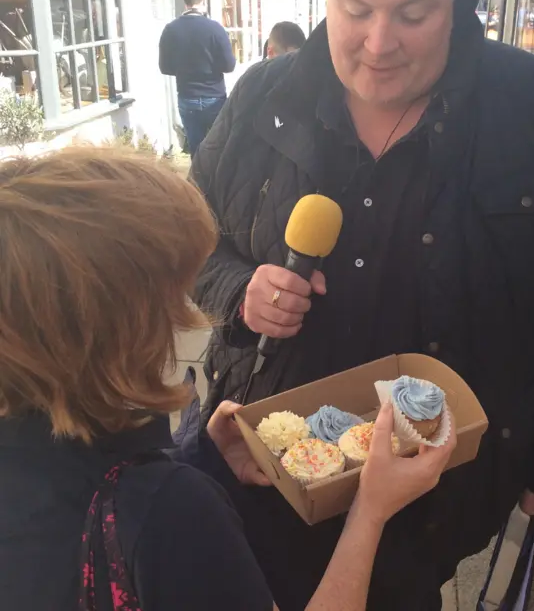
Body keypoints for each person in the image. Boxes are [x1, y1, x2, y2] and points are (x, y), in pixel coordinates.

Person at [190, 0, 534, 608]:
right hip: (262, 470)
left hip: (434, 499)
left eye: (413, 14)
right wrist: (238, 291)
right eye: (356, 9)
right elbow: (189, 238)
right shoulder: (261, 96)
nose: (378, 42)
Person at [0, 146, 456, 611]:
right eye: (171, 294)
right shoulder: (174, 512)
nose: (179, 315)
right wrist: (370, 510)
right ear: (122, 327)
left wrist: (196, 456)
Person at [159, 0, 236, 157]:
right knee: (219, 147)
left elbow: (165, 67)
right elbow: (229, 65)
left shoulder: (170, 30)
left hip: (188, 96)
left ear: (185, 0)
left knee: (196, 149)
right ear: (203, 0)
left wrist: (184, 69)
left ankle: (198, 182)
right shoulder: (215, 29)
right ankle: (218, 181)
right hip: (214, 96)